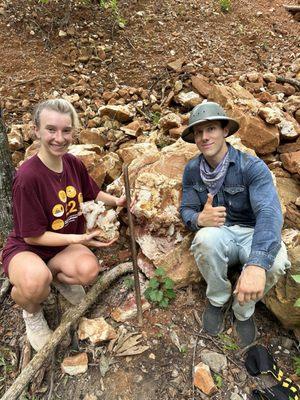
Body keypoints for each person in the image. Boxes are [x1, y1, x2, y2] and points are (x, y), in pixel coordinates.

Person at [2, 99, 129, 351]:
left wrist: (117, 200)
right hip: (28, 248)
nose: (59, 138)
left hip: (60, 247)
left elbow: (91, 192)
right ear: (36, 131)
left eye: (66, 130)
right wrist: (78, 239)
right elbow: (32, 237)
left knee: (88, 270)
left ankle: (55, 278)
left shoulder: (72, 162)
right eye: (51, 129)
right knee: (35, 283)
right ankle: (32, 312)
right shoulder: (27, 177)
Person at [180, 101, 290, 348]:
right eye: (199, 132)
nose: (204, 137)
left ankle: (244, 310)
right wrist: (199, 219)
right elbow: (186, 209)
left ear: (225, 131)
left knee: (276, 263)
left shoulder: (251, 166)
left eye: (211, 129)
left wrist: (256, 264)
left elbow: (269, 213)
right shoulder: (192, 170)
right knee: (204, 240)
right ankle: (217, 299)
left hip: (253, 232)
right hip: (221, 233)